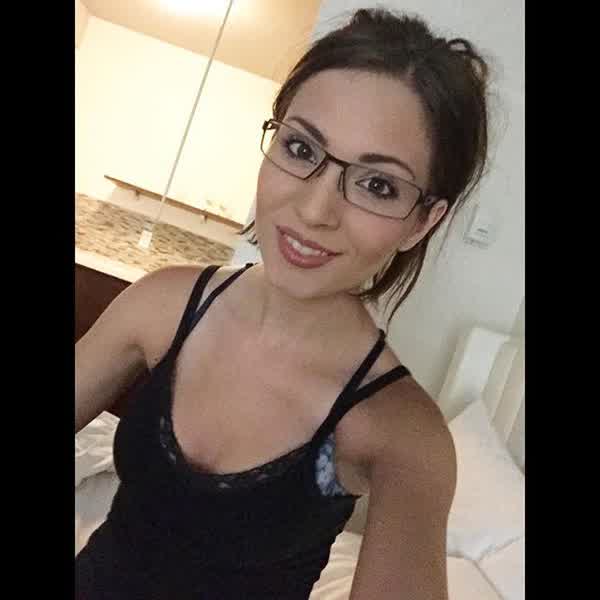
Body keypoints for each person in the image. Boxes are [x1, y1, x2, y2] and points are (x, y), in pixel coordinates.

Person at [75, 7, 489, 599]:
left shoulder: (400, 434)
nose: (314, 210)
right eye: (300, 148)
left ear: (422, 222)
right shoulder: (164, 303)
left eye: (377, 185)